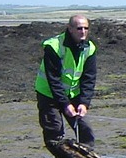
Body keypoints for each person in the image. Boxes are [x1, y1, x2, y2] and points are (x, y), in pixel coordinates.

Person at [34, 15, 97, 148]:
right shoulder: (54, 46)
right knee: (54, 131)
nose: (83, 31)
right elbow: (53, 79)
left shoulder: (90, 48)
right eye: (79, 28)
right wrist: (65, 104)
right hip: (48, 94)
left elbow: (89, 78)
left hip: (73, 94)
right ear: (70, 29)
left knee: (85, 130)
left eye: (86, 28)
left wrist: (84, 103)